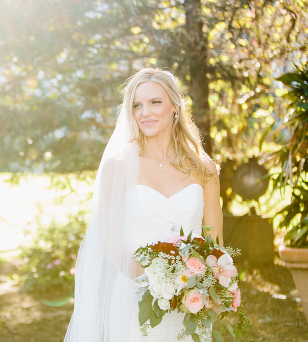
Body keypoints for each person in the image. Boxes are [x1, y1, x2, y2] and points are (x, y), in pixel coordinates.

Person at [64, 68, 223, 341]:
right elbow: (111, 240)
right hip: (135, 300)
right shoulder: (119, 167)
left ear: (174, 105)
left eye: (155, 102)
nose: (145, 113)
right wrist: (160, 284)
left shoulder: (204, 168)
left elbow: (214, 239)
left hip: (192, 298)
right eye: (137, 105)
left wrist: (201, 285)